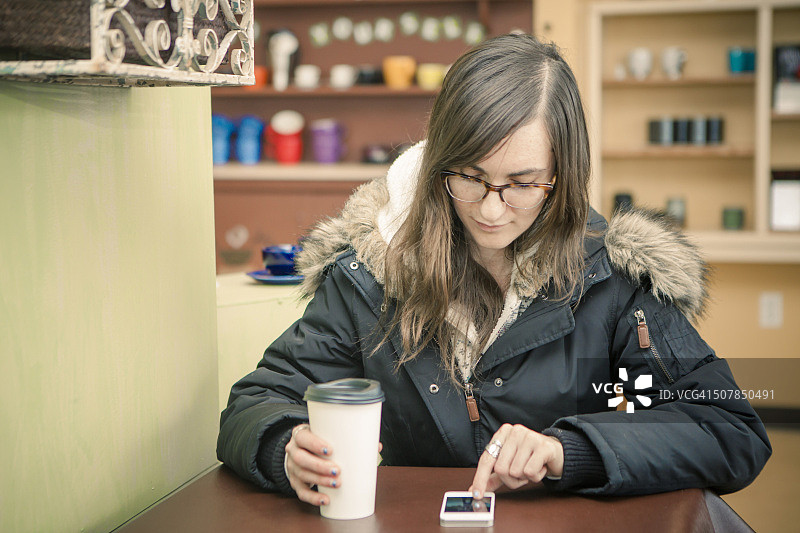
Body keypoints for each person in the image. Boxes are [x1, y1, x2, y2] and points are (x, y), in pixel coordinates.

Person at [217, 33, 771, 507]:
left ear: (562, 175)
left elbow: (726, 429)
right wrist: (283, 448)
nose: (490, 209)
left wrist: (567, 450)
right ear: (439, 163)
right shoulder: (369, 272)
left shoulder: (613, 279)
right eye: (470, 176)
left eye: (522, 184)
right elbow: (255, 402)